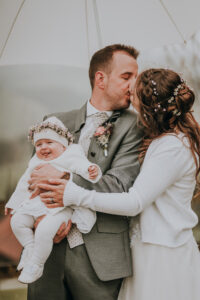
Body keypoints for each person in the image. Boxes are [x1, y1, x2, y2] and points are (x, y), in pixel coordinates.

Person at [45, 68, 200, 300]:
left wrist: (73, 195)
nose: (129, 93)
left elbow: (134, 201)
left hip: (164, 256)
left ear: (149, 106)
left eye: (134, 91)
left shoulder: (172, 147)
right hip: (149, 249)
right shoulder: (165, 141)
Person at [27, 44, 143, 300]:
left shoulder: (135, 126)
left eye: (136, 77)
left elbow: (119, 184)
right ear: (100, 78)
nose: (134, 85)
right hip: (48, 251)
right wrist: (39, 219)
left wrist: (64, 179)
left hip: (99, 259)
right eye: (127, 77)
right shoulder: (54, 121)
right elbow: (32, 178)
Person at [5, 116, 101, 284]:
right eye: (39, 144)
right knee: (17, 221)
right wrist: (12, 203)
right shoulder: (36, 162)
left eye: (49, 142)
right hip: (36, 204)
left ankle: (36, 265)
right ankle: (29, 247)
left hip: (60, 207)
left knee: (44, 230)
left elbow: (81, 166)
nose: (43, 148)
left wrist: (90, 170)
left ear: (63, 144)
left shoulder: (71, 154)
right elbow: (23, 184)